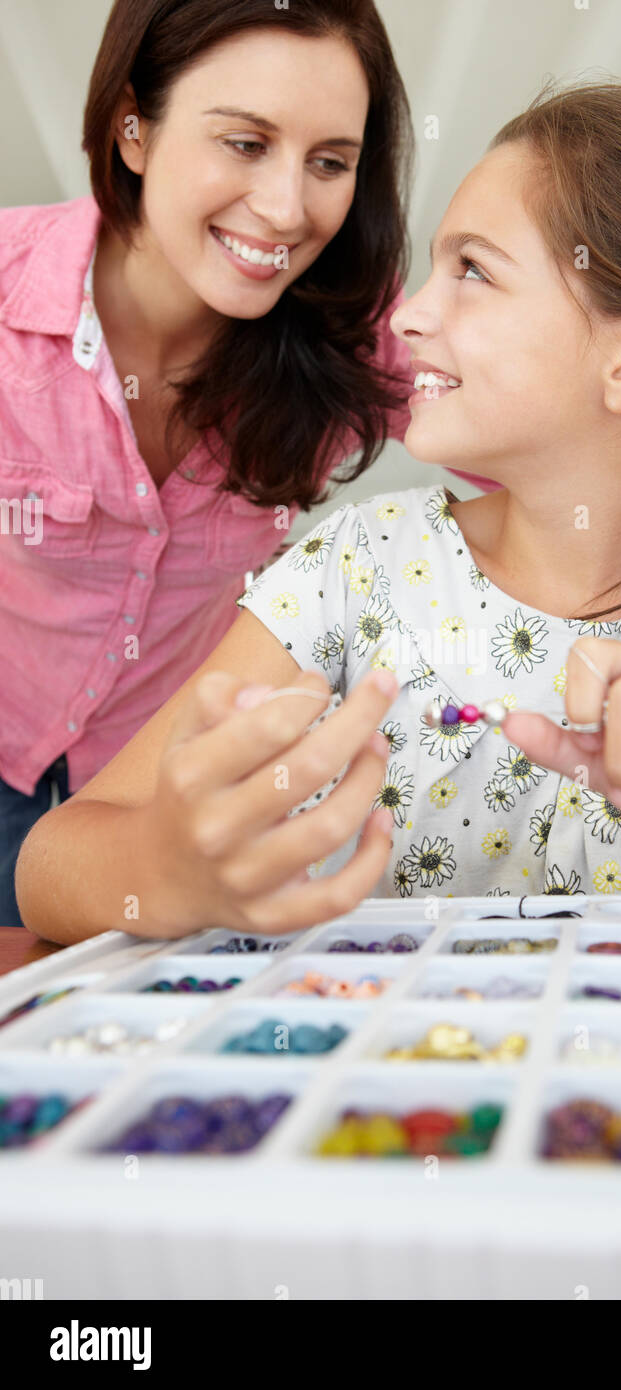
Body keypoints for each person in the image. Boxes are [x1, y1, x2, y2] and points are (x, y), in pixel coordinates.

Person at [18, 83, 621, 969]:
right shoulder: (359, 569)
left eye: (473, 271)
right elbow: (50, 863)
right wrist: (168, 866)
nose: (408, 316)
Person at [0, 0, 492, 926]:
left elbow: (535, 454)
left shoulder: (361, 333)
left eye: (330, 162)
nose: (286, 209)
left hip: (158, 797)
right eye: (244, 142)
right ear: (133, 131)